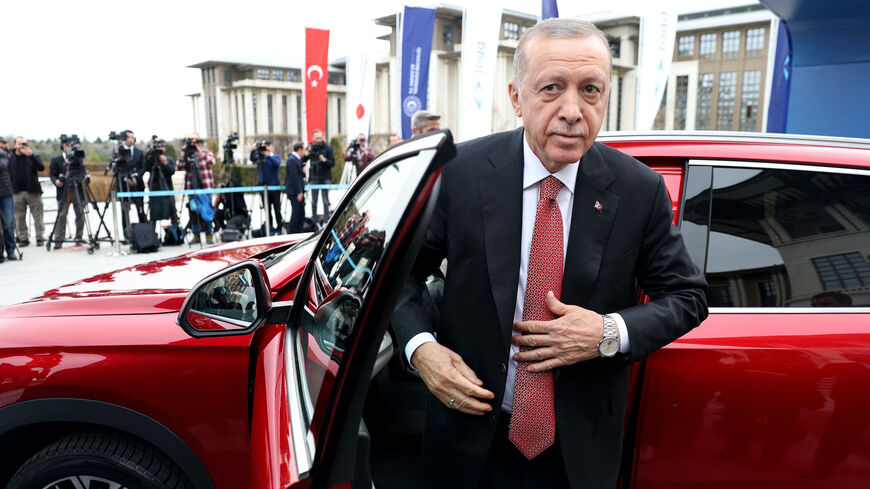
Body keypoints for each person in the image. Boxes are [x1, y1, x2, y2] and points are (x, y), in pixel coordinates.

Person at [391, 19, 708, 489]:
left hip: (577, 453)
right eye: (553, 88)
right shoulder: (461, 174)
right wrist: (422, 352)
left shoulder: (639, 190)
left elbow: (687, 297)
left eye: (591, 90)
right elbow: (401, 279)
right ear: (517, 97)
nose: (573, 111)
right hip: (468, 441)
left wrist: (606, 331)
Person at [176, 133, 216, 244]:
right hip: (191, 187)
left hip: (206, 187)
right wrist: (183, 154)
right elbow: (179, 167)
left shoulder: (206, 153)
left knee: (207, 210)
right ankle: (196, 234)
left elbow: (212, 162)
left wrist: (199, 151)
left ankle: (209, 234)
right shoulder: (187, 154)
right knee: (193, 211)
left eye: (195, 142)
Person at [49, 137, 87, 249]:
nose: (69, 147)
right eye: (67, 145)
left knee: (80, 213)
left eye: (71, 144)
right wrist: (56, 181)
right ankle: (58, 239)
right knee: (61, 215)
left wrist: (83, 178)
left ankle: (79, 237)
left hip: (77, 190)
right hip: (63, 190)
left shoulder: (79, 159)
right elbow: (52, 174)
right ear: (63, 146)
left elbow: (83, 172)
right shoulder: (56, 159)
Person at [9, 136, 45, 247]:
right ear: (14, 145)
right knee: (19, 217)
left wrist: (31, 156)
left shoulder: (32, 156)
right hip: (16, 192)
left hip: (33, 191)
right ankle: (23, 238)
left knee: (38, 216)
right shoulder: (10, 158)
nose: (21, 146)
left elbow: (41, 168)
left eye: (24, 143)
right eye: (19, 144)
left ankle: (40, 237)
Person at [250, 140, 283, 233]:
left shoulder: (274, 156)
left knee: (277, 209)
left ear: (270, 146)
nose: (265, 147)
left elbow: (277, 164)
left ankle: (279, 227)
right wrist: (253, 150)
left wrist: (267, 155)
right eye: (263, 146)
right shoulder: (260, 158)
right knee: (267, 209)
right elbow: (252, 159)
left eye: (267, 145)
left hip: (274, 187)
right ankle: (270, 228)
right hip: (264, 188)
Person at [303, 129, 335, 223]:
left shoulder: (327, 148)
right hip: (314, 177)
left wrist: (324, 159)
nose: (318, 140)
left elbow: (332, 163)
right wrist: (306, 154)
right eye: (317, 138)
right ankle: (314, 220)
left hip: (325, 177)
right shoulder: (310, 148)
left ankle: (326, 221)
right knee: (314, 201)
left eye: (320, 138)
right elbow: (303, 160)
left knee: (325, 201)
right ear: (313, 138)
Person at [145, 140, 178, 226]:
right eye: (157, 147)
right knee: (153, 215)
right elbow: (145, 168)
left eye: (161, 147)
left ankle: (175, 234)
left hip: (167, 189)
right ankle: (152, 236)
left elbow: (171, 171)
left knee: (172, 213)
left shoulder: (168, 159)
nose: (159, 149)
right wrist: (149, 157)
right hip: (155, 190)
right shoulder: (152, 159)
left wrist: (165, 163)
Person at [284, 142, 307, 234]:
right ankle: (292, 232)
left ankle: (299, 231)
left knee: (301, 213)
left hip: (298, 191)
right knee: (296, 214)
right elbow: (294, 177)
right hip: (295, 192)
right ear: (299, 149)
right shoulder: (292, 160)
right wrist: (299, 192)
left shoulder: (297, 159)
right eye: (304, 149)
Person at [0, 138, 16, 261]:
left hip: (5, 193)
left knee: (8, 223)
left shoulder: (4, 154)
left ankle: (10, 250)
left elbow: (3, 165)